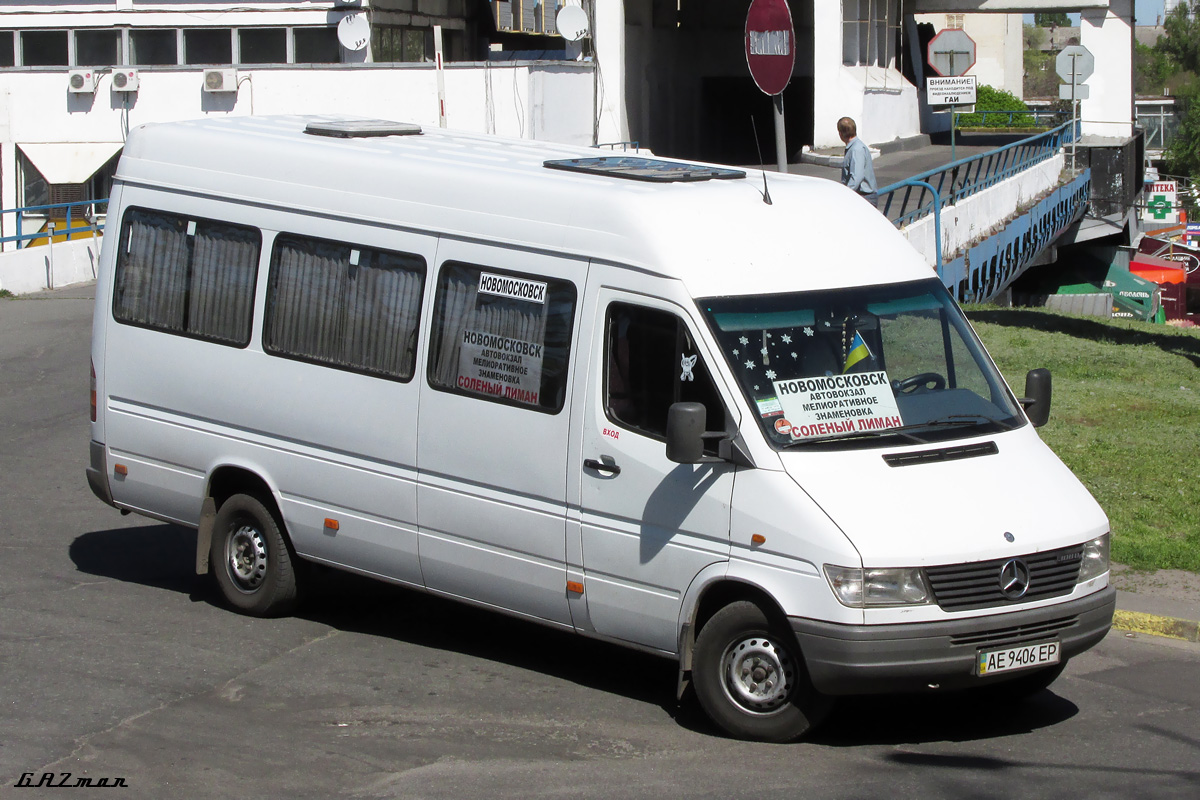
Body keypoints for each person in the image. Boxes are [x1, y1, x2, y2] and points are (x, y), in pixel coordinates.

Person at [837, 117, 878, 208]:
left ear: (841, 133)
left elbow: (857, 177)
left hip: (864, 197)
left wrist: (845, 193)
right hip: (862, 196)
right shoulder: (855, 147)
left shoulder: (856, 149)